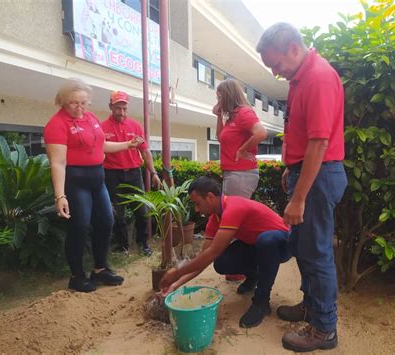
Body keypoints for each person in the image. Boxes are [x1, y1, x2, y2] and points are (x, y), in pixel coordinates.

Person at [256, 23, 347, 352]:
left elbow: (319, 143)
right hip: (308, 172)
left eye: (276, 63)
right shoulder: (299, 78)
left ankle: (324, 329)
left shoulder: (318, 77)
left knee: (317, 252)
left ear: (293, 48)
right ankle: (312, 306)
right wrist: (290, 168)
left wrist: (298, 197)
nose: (276, 72)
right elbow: (301, 133)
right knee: (304, 248)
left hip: (319, 176)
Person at [44, 78, 143, 293]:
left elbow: (102, 144)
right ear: (62, 102)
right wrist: (60, 196)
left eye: (84, 103)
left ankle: (100, 269)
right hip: (75, 179)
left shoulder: (90, 118)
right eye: (74, 103)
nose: (79, 108)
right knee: (79, 226)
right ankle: (76, 275)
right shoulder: (57, 124)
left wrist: (127, 144)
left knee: (106, 221)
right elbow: (58, 162)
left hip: (98, 178)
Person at [159, 176, 291, 328]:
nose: (196, 209)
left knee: (267, 240)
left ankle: (261, 302)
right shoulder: (215, 219)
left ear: (209, 197)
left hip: (283, 244)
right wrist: (174, 285)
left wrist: (177, 272)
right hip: (259, 246)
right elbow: (204, 258)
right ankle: (254, 275)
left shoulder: (234, 207)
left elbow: (213, 251)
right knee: (222, 262)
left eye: (197, 203)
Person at [213, 79, 268, 282]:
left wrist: (244, 149)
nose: (218, 100)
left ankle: (242, 269)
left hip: (241, 174)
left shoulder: (244, 113)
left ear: (227, 95)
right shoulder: (233, 117)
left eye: (220, 96)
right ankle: (241, 268)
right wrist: (219, 115)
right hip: (234, 174)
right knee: (235, 220)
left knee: (234, 221)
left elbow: (261, 133)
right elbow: (220, 137)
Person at [101, 91, 161, 256]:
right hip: (112, 175)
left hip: (134, 174)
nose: (121, 112)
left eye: (124, 109)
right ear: (111, 107)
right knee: (117, 214)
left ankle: (143, 243)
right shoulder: (102, 127)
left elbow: (145, 151)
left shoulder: (135, 126)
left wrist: (154, 173)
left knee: (141, 212)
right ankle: (122, 246)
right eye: (118, 108)